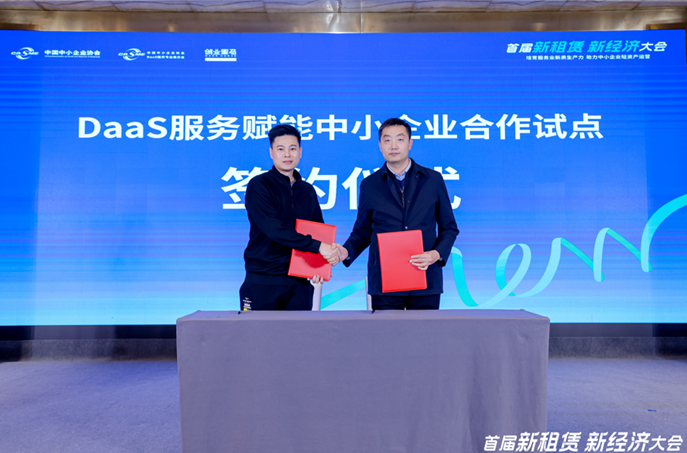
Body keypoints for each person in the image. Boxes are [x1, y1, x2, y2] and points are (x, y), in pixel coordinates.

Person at [330, 118, 459, 310]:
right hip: (385, 280)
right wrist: (346, 251)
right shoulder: (370, 185)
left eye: (399, 139)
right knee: (386, 330)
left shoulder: (433, 180)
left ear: (410, 143)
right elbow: (362, 232)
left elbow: (449, 227)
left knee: (426, 330)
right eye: (387, 140)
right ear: (380, 145)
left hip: (425, 276)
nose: (393, 146)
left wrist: (436, 254)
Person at [240, 124, 335, 311]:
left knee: (299, 331)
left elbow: (319, 231)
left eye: (292, 148)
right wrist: (318, 247)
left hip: (300, 283)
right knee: (257, 331)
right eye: (280, 149)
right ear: (271, 152)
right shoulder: (259, 185)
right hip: (262, 280)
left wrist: (320, 266)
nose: (287, 154)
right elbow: (274, 230)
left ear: (300, 152)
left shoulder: (307, 190)